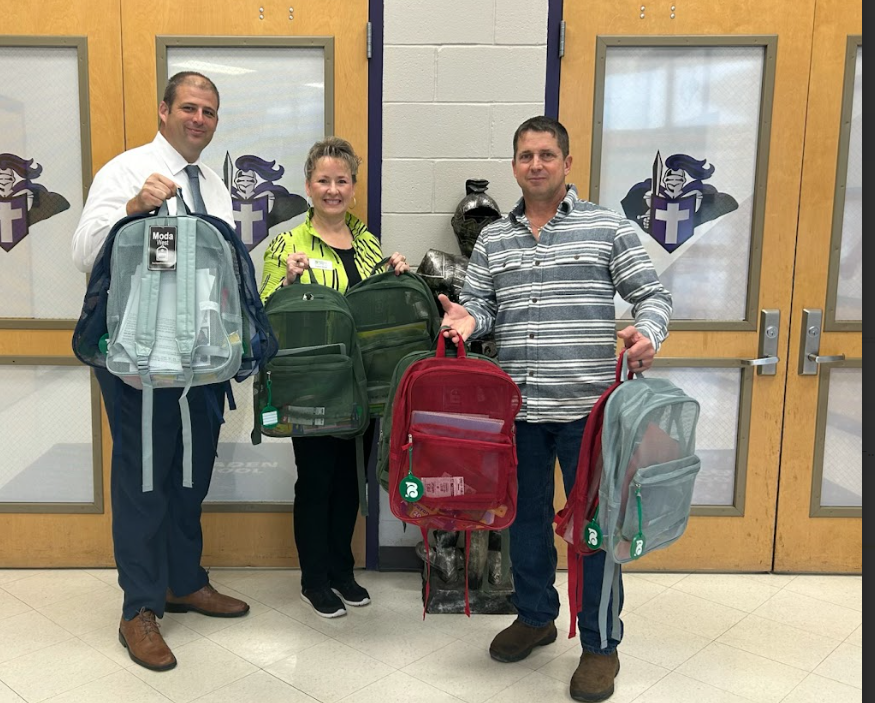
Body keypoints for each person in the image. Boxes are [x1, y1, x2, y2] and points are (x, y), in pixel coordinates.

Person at [438, 116, 672, 702]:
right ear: (514, 166)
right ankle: (538, 615)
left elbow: (653, 293)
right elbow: (482, 306)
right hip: (519, 413)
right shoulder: (495, 239)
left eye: (546, 155)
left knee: (595, 530)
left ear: (567, 163)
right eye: (525, 156)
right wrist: (467, 319)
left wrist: (647, 332)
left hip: (589, 413)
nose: (535, 165)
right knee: (526, 523)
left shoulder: (606, 228)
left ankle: (599, 644)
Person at [71, 71, 250, 672]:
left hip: (201, 361)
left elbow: (221, 270)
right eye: (190, 108)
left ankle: (184, 580)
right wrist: (134, 209)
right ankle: (139, 608)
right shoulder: (126, 170)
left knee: (190, 478)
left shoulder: (216, 189)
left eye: (209, 111)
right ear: (164, 110)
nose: (199, 119)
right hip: (140, 362)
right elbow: (84, 251)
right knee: (144, 481)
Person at [259, 136, 410, 618]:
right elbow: (265, 307)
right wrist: (287, 279)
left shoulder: (367, 243)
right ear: (308, 186)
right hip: (313, 385)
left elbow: (378, 308)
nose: (332, 189)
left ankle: (343, 571)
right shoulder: (288, 243)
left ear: (353, 186)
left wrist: (396, 275)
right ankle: (315, 578)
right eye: (323, 180)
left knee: (351, 483)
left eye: (341, 180)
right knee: (317, 481)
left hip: (362, 387)